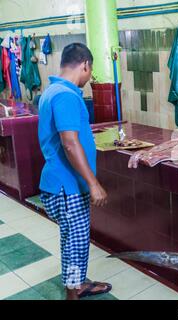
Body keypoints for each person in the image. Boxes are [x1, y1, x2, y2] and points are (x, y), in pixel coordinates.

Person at [38, 43, 110, 300]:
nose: (89, 78)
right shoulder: (66, 95)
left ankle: (76, 282)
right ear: (85, 65)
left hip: (58, 185)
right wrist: (93, 183)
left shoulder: (51, 91)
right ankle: (73, 291)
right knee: (77, 241)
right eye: (90, 71)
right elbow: (70, 142)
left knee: (71, 238)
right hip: (67, 187)